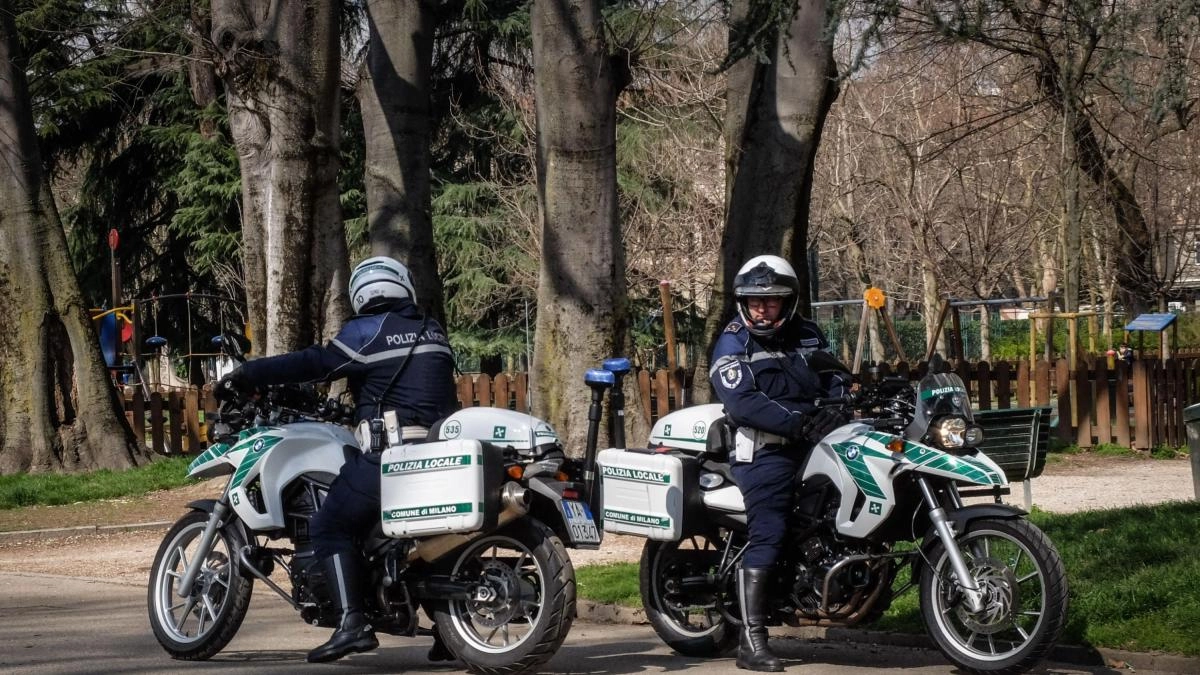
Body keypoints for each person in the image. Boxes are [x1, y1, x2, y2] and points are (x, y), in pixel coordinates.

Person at [219, 256, 457, 664]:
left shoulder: (366, 331)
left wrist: (249, 374)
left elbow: (315, 363)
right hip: (441, 454)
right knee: (424, 538)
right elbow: (405, 391)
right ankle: (449, 632)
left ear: (361, 294)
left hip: (393, 457)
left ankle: (353, 625)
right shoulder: (431, 330)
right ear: (404, 286)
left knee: (329, 524)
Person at [708, 254, 852, 672]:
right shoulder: (734, 340)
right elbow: (742, 401)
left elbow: (835, 374)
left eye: (771, 301)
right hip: (765, 449)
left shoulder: (807, 333)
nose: (761, 308)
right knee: (769, 528)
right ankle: (751, 643)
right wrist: (800, 422)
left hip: (813, 441)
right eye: (754, 301)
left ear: (788, 302)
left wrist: (838, 407)